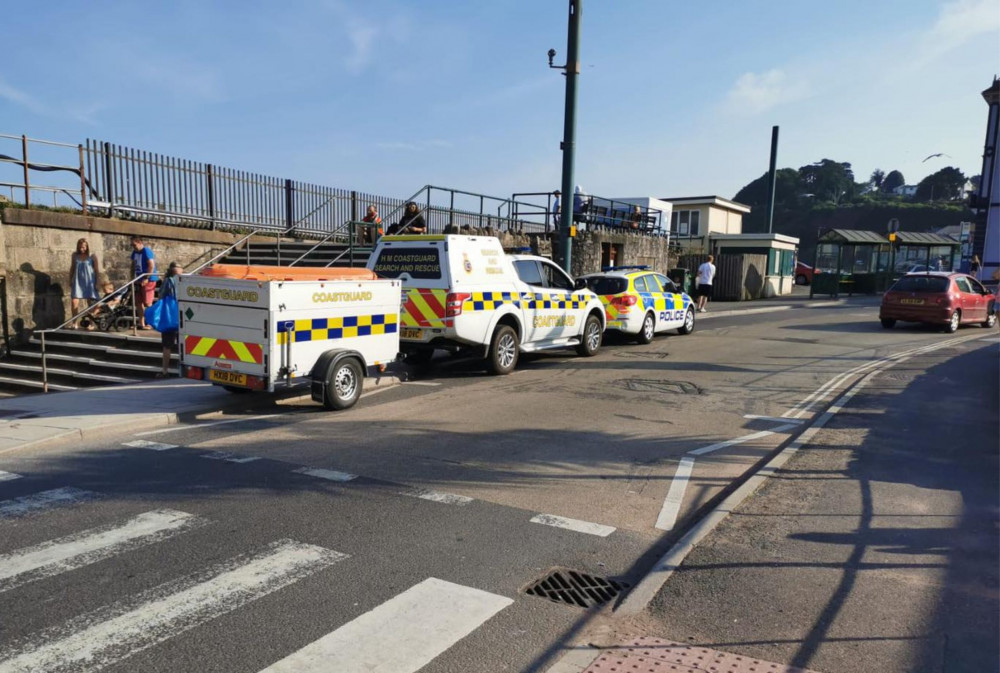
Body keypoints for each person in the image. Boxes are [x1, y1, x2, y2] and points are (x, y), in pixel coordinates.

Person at [157, 262, 182, 377]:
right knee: (179, 345)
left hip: (170, 317)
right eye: (180, 268)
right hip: (180, 317)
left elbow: (160, 297)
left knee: (167, 345)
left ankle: (165, 370)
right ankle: (176, 369)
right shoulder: (182, 281)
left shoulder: (168, 281)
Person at [69, 238, 100, 330]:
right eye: (81, 247)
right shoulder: (75, 255)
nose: (82, 249)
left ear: (87, 247)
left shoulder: (92, 256)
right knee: (74, 301)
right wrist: (70, 279)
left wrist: (97, 282)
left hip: (89, 281)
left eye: (84, 247)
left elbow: (96, 270)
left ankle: (91, 323)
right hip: (78, 281)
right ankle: (74, 322)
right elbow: (72, 268)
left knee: (90, 302)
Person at [130, 236, 158, 329]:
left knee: (148, 302)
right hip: (138, 280)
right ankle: (141, 323)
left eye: (134, 245)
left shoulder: (146, 251)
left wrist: (147, 277)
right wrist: (132, 278)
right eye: (132, 245)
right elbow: (133, 265)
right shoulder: (135, 252)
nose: (133, 247)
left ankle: (150, 322)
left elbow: (151, 265)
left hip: (148, 280)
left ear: (139, 242)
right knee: (138, 302)